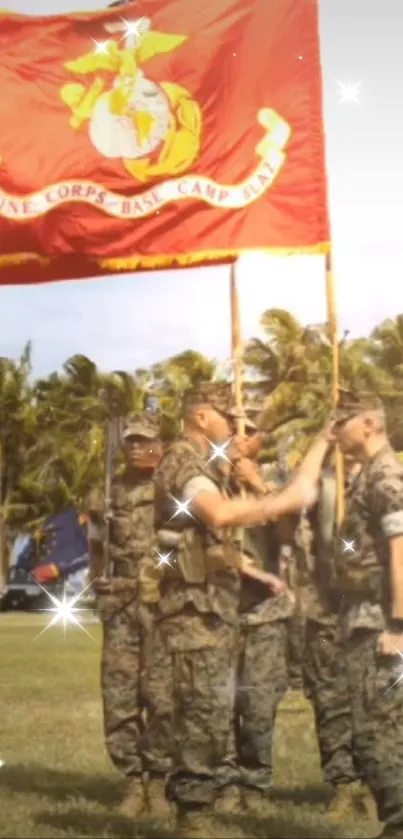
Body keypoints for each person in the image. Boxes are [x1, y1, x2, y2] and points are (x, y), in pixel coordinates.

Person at [153, 383, 316, 838]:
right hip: (194, 610)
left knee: (212, 710)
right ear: (202, 417)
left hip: (212, 609)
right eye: (229, 416)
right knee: (202, 712)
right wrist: (281, 499)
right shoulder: (185, 462)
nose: (237, 428)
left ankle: (200, 810)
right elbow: (219, 515)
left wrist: (251, 474)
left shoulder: (210, 464)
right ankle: (194, 814)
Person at [87, 414, 173, 821]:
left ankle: (158, 781)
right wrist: (97, 580)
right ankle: (132, 782)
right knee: (119, 696)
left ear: (161, 444)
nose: (138, 447)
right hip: (120, 605)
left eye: (146, 441)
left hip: (160, 605)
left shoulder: (172, 490)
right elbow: (97, 548)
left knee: (161, 697)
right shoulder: (106, 493)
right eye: (131, 441)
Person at [330, 392, 403, 839]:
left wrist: (397, 625)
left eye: (343, 422)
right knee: (374, 723)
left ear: (370, 425)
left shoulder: (386, 476)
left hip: (380, 622)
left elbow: (400, 549)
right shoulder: (369, 476)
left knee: (380, 726)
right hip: (364, 615)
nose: (335, 432)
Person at [214, 416, 293, 816]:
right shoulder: (211, 480)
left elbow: (290, 533)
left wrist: (257, 485)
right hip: (221, 610)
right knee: (220, 703)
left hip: (265, 612)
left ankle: (256, 784)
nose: (240, 438)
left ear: (261, 438)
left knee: (260, 705)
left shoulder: (276, 481)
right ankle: (225, 783)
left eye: (249, 430)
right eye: (233, 429)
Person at [301, 455, 376, 822]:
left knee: (375, 701)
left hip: (370, 610)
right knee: (330, 700)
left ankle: (379, 784)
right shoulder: (322, 483)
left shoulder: (386, 483)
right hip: (326, 606)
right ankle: (343, 785)